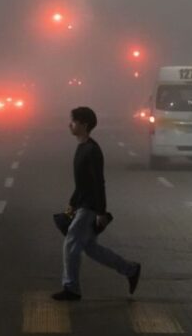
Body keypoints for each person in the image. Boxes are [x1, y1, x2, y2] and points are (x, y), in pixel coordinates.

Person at [52, 106, 141, 302]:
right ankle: (130, 269)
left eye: (73, 121)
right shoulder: (82, 147)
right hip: (82, 204)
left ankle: (71, 288)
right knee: (91, 248)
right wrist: (71, 204)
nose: (70, 125)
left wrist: (101, 211)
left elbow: (98, 182)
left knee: (71, 244)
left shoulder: (92, 150)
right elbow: (81, 182)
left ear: (84, 124)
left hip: (90, 206)